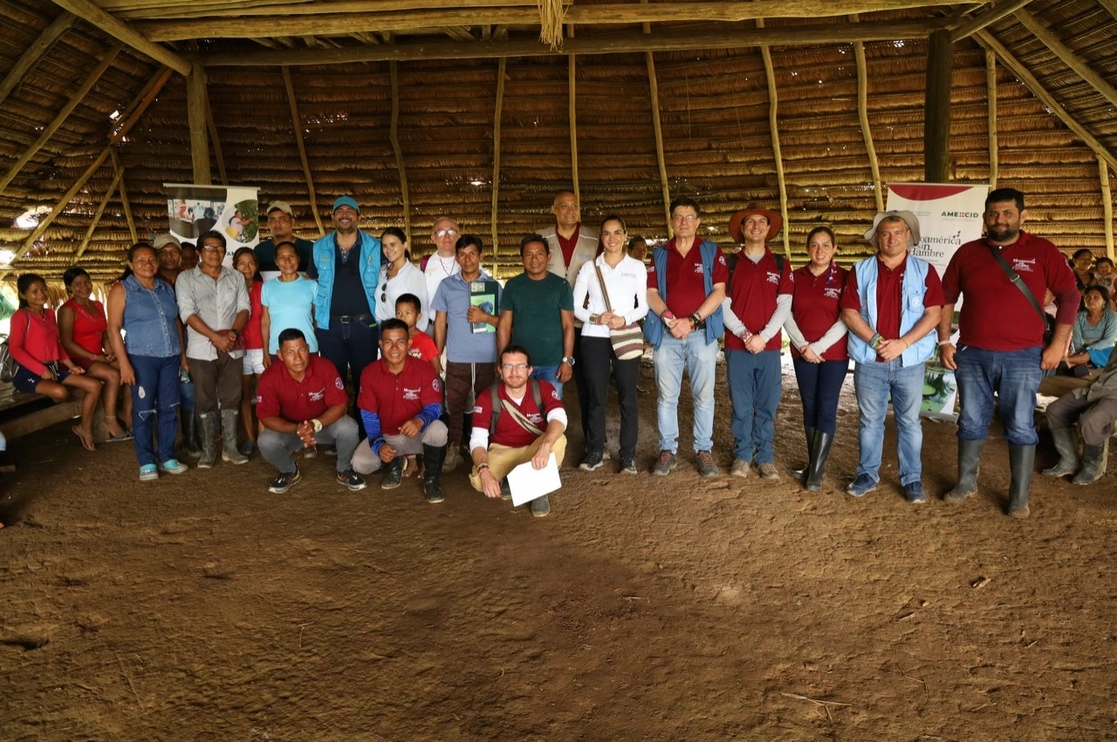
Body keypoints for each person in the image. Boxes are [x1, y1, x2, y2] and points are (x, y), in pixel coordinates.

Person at [939, 188, 1080, 517]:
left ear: (1022, 216)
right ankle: (966, 483)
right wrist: (945, 341)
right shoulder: (967, 253)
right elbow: (946, 297)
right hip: (972, 354)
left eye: (1007, 213)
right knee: (970, 420)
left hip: (1024, 357)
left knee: (1020, 424)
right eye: (993, 214)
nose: (999, 220)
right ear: (985, 217)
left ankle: (1018, 497)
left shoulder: (1042, 251)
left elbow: (1070, 296)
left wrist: (1058, 345)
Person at [840, 211, 943, 503]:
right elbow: (849, 312)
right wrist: (876, 341)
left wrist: (902, 344)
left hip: (909, 361)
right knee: (870, 421)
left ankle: (912, 479)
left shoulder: (924, 271)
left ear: (908, 236)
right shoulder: (860, 270)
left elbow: (934, 314)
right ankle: (867, 474)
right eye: (885, 233)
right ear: (877, 237)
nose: (892, 238)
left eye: (898, 233)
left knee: (909, 422)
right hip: (870, 360)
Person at [644, 197, 728, 477]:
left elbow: (719, 292)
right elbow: (651, 293)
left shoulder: (711, 251)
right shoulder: (660, 254)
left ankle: (703, 450)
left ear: (698, 221)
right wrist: (670, 320)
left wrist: (691, 321)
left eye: (689, 217)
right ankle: (667, 450)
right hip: (667, 334)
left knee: (704, 395)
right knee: (667, 396)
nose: (683, 222)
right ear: (671, 221)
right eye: (678, 217)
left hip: (701, 335)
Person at [721, 205, 793, 481]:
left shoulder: (780, 264)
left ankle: (765, 457)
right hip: (737, 347)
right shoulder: (730, 263)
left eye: (761, 222)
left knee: (767, 403)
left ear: (768, 228)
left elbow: (784, 305)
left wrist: (763, 336)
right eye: (750, 222)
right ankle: (742, 455)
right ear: (742, 228)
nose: (756, 226)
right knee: (741, 404)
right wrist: (745, 335)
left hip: (769, 348)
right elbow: (722, 304)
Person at [106, 243, 190, 480]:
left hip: (170, 357)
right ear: (130, 264)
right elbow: (113, 329)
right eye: (140, 260)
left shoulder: (165, 288)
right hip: (141, 358)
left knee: (169, 407)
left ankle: (167, 456)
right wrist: (124, 364)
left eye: (152, 259)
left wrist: (182, 356)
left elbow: (176, 322)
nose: (147, 264)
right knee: (143, 410)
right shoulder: (122, 289)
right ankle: (146, 461)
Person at [572, 215, 648, 473]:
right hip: (594, 336)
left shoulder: (636, 267)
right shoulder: (589, 267)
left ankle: (628, 454)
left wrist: (623, 319)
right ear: (601, 237)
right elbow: (575, 306)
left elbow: (643, 306)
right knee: (596, 395)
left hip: (625, 334)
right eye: (606, 233)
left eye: (617, 233)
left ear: (625, 236)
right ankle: (595, 450)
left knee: (628, 396)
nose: (612, 238)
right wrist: (597, 317)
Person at [255, 328, 366, 494]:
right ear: (280, 355)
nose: (298, 358)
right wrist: (296, 428)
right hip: (292, 431)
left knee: (348, 427)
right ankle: (289, 471)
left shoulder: (324, 367)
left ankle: (344, 469)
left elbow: (340, 405)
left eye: (301, 350)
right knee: (266, 441)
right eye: (290, 352)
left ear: (308, 348)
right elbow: (266, 417)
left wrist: (314, 424)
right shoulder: (269, 377)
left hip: (323, 427)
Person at [782, 226, 849, 491]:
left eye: (825, 245)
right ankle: (814, 465)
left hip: (834, 354)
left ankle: (816, 473)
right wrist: (803, 346)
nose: (819, 250)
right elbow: (785, 313)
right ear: (807, 248)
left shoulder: (845, 277)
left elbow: (847, 317)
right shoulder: (795, 277)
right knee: (809, 405)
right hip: (802, 353)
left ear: (834, 249)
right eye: (814, 245)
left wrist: (818, 347)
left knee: (827, 405)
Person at [176, 229, 251, 468]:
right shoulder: (186, 278)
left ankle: (230, 448)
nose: (214, 252)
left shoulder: (235, 277)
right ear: (199, 251)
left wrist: (233, 333)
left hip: (232, 347)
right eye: (209, 248)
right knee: (204, 400)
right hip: (201, 350)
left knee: (231, 398)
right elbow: (187, 313)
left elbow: (244, 308)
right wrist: (215, 338)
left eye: (219, 248)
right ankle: (208, 451)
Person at [351, 319, 448, 502]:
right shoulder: (369, 373)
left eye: (400, 342)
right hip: (387, 436)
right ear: (380, 344)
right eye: (388, 342)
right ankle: (396, 462)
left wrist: (420, 420)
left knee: (439, 430)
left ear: (409, 343)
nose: (394, 348)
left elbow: (435, 407)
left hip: (416, 434)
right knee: (360, 464)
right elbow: (369, 416)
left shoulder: (424, 369)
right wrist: (379, 445)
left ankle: (431, 480)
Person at [9, 273, 105, 451]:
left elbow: (57, 344)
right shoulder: (21, 316)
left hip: (52, 369)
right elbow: (15, 350)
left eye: (43, 289)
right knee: (60, 392)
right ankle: (54, 393)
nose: (41, 294)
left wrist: (71, 366)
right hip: (28, 372)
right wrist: (41, 370)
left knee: (94, 386)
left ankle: (84, 428)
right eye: (34, 291)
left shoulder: (50, 314)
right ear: (23, 295)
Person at [469, 344, 567, 518]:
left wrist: (545, 447)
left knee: (558, 440)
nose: (514, 372)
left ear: (529, 370)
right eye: (508, 366)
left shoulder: (542, 388)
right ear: (500, 370)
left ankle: (538, 490)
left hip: (535, 448)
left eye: (520, 366)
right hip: (503, 449)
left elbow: (559, 418)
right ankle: (520, 478)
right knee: (478, 480)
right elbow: (478, 440)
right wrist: (484, 471)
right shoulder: (487, 397)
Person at [431, 234, 501, 472]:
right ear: (456, 257)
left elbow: (504, 322)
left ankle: (486, 448)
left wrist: (485, 317)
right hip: (457, 357)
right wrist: (437, 354)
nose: (467, 259)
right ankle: (454, 447)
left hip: (487, 357)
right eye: (462, 254)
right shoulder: (447, 286)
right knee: (455, 404)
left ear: (481, 255)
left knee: (486, 404)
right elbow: (440, 322)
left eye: (472, 253)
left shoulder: (493, 286)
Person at [308, 196, 382, 411]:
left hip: (365, 325)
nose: (345, 215)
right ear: (332, 216)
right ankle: (337, 424)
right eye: (339, 211)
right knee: (333, 381)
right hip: (329, 326)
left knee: (366, 380)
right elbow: (313, 284)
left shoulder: (375, 247)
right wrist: (315, 321)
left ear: (359, 216)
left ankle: (364, 425)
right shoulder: (319, 247)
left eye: (350, 211)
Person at [538, 191, 599, 441]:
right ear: (554, 209)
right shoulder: (540, 237)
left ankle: (593, 442)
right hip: (550, 324)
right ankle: (541, 440)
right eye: (564, 206)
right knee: (547, 383)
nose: (570, 210)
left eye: (575, 205)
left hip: (584, 324)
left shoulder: (594, 238)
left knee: (588, 383)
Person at [58, 267, 132, 442]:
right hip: (76, 359)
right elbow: (66, 342)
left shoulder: (97, 305)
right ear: (69, 287)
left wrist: (110, 351)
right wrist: (95, 357)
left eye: (86, 282)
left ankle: (125, 412)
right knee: (113, 375)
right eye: (77, 284)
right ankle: (110, 420)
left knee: (128, 369)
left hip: (98, 356)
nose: (84, 287)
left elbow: (104, 333)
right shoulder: (67, 310)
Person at [497, 234, 575, 397]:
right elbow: (504, 325)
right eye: (529, 254)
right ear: (521, 259)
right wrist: (502, 360)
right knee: (520, 406)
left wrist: (567, 360)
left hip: (552, 364)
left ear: (548, 257)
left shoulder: (561, 286)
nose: (534, 259)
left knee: (551, 408)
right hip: (519, 363)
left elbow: (568, 326)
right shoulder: (512, 286)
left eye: (539, 253)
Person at [1043, 348, 1117, 485]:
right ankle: (1069, 461)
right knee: (1056, 411)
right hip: (1101, 385)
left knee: (1091, 421)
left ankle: (1093, 465)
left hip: (1113, 393)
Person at [260, 241, 318, 368]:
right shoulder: (267, 287)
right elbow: (265, 321)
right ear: (276, 261)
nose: (287, 261)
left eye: (291, 256)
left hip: (307, 347)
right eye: (282, 257)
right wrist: (265, 351)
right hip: (277, 349)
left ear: (298, 258)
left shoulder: (311, 285)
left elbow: (317, 319)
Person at [233, 247, 265, 456]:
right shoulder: (229, 289)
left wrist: (268, 351)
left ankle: (263, 437)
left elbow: (267, 321)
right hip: (240, 349)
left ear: (256, 266)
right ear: (234, 266)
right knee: (244, 396)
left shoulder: (263, 288)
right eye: (242, 263)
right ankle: (250, 439)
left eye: (251, 263)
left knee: (263, 396)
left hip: (261, 348)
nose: (247, 267)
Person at [374, 227, 427, 328]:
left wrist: (413, 335)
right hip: (383, 330)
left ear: (405, 245)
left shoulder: (415, 275)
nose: (388, 250)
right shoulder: (383, 270)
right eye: (385, 246)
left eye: (393, 245)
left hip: (402, 332)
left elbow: (422, 313)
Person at [422, 217, 462, 328]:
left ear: (459, 236)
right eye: (441, 232)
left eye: (451, 231)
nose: (447, 236)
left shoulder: (470, 263)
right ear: (433, 238)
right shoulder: (425, 264)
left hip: (462, 328)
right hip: (432, 326)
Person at [1065, 286, 1117, 371]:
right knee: (1083, 356)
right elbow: (1077, 340)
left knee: (1088, 355)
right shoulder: (1078, 317)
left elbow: (1108, 341)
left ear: (1104, 301)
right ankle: (1076, 365)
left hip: (1106, 349)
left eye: (1096, 297)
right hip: (1083, 350)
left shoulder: (1112, 317)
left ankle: (1064, 361)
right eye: (1088, 297)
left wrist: (1088, 349)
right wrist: (1080, 351)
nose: (1091, 300)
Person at [254, 202, 314, 273]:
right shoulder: (260, 250)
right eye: (272, 220)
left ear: (292, 222)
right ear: (268, 224)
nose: (277, 224)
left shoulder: (310, 249)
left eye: (282, 219)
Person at [395, 293, 440, 373]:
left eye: (407, 313)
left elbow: (436, 367)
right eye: (399, 313)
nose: (402, 317)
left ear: (418, 316)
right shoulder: (394, 339)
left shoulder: (426, 341)